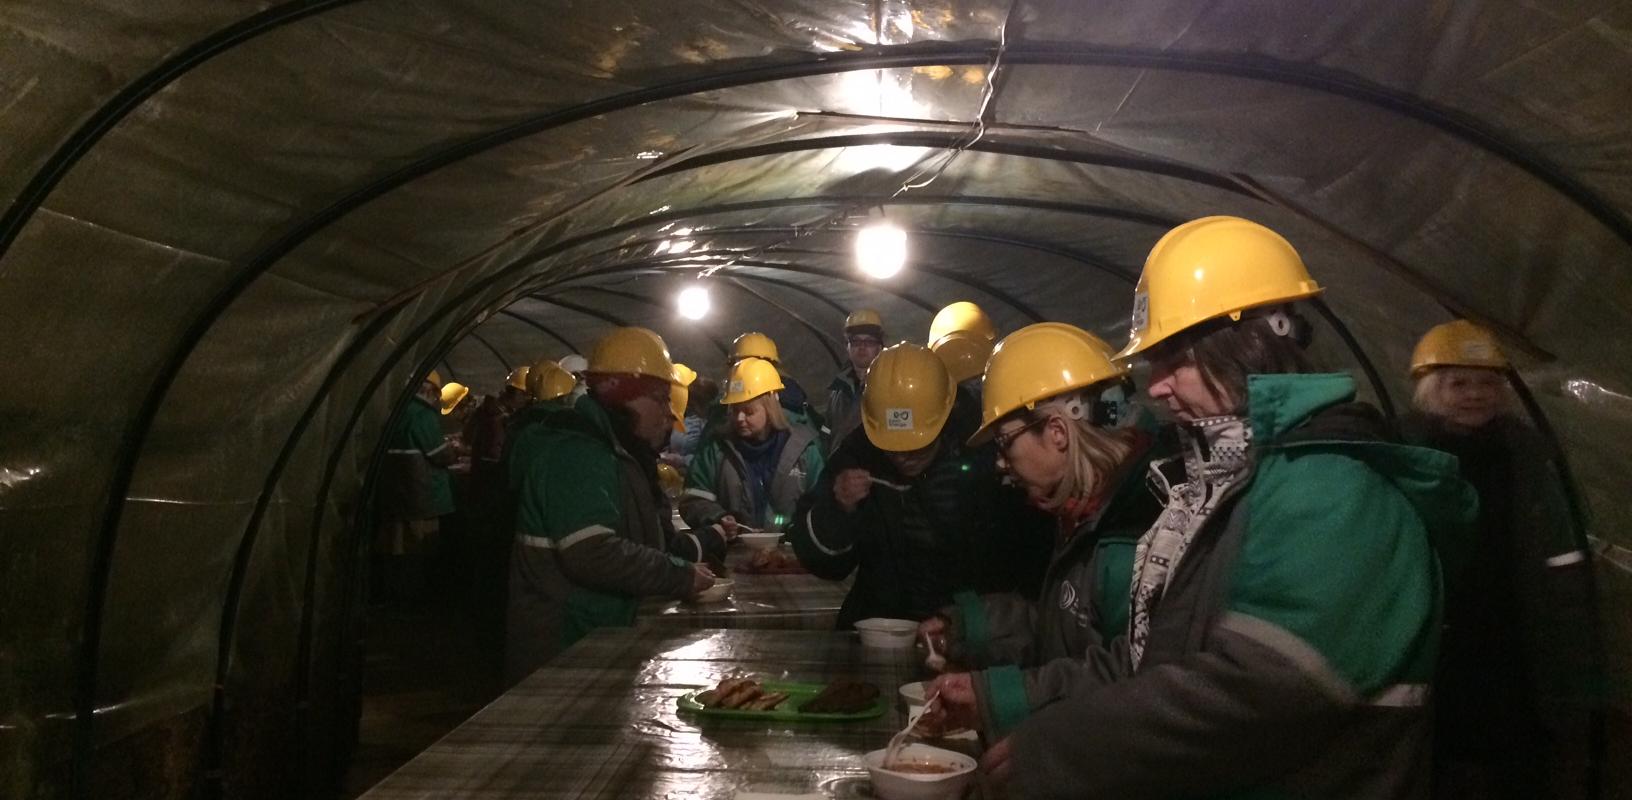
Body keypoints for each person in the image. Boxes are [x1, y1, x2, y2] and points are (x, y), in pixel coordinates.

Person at [926, 215, 1476, 799]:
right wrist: (1004, 700)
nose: (1156, 387)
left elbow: (1260, 694)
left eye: (1174, 360)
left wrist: (1066, 745)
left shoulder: (1332, 490)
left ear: (1249, 341)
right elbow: (1153, 659)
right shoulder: (1234, 484)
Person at [916, 323, 1164, 715]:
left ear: (1057, 432)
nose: (1000, 463)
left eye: (1004, 442)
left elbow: (1130, 682)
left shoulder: (1133, 534)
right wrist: (970, 627)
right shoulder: (1085, 513)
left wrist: (1000, 698)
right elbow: (1064, 631)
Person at [1401, 320, 1601, 799]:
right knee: (1443, 750)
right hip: (1440, 628)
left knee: (1514, 746)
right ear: (1432, 389)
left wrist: (1569, 619)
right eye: (1460, 383)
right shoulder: (1410, 455)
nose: (1476, 394)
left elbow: (1559, 546)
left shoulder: (1524, 452)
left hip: (1513, 628)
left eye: (1488, 383)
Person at [504, 328, 717, 684]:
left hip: (589, 639)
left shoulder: (610, 450)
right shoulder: (579, 453)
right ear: (630, 397)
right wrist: (677, 574)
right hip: (565, 654)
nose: (668, 413)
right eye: (662, 399)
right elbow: (592, 551)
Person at [787, 343, 1051, 628]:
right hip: (883, 627)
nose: (903, 455)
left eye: (917, 444)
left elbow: (1032, 564)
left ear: (945, 413)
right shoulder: (859, 455)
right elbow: (821, 562)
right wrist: (838, 509)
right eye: (891, 445)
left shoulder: (990, 457)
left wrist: (973, 627)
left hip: (973, 635)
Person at [680, 357, 825, 537]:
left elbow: (823, 506)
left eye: (749, 411)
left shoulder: (805, 452)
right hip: (732, 558)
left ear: (770, 407)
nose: (739, 418)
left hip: (790, 560)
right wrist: (718, 517)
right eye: (734, 410)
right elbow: (693, 499)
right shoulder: (716, 449)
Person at [375, 369, 459, 605]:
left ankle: (393, 596)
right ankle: (412, 600)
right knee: (418, 550)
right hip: (420, 495)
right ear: (429, 389)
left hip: (396, 493)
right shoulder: (423, 416)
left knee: (396, 548)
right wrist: (454, 451)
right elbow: (439, 455)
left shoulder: (395, 413)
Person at [825, 310, 885, 450]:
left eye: (869, 341)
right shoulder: (838, 391)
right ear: (848, 347)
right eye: (856, 341)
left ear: (879, 347)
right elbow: (827, 432)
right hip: (839, 468)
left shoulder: (889, 385)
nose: (862, 347)